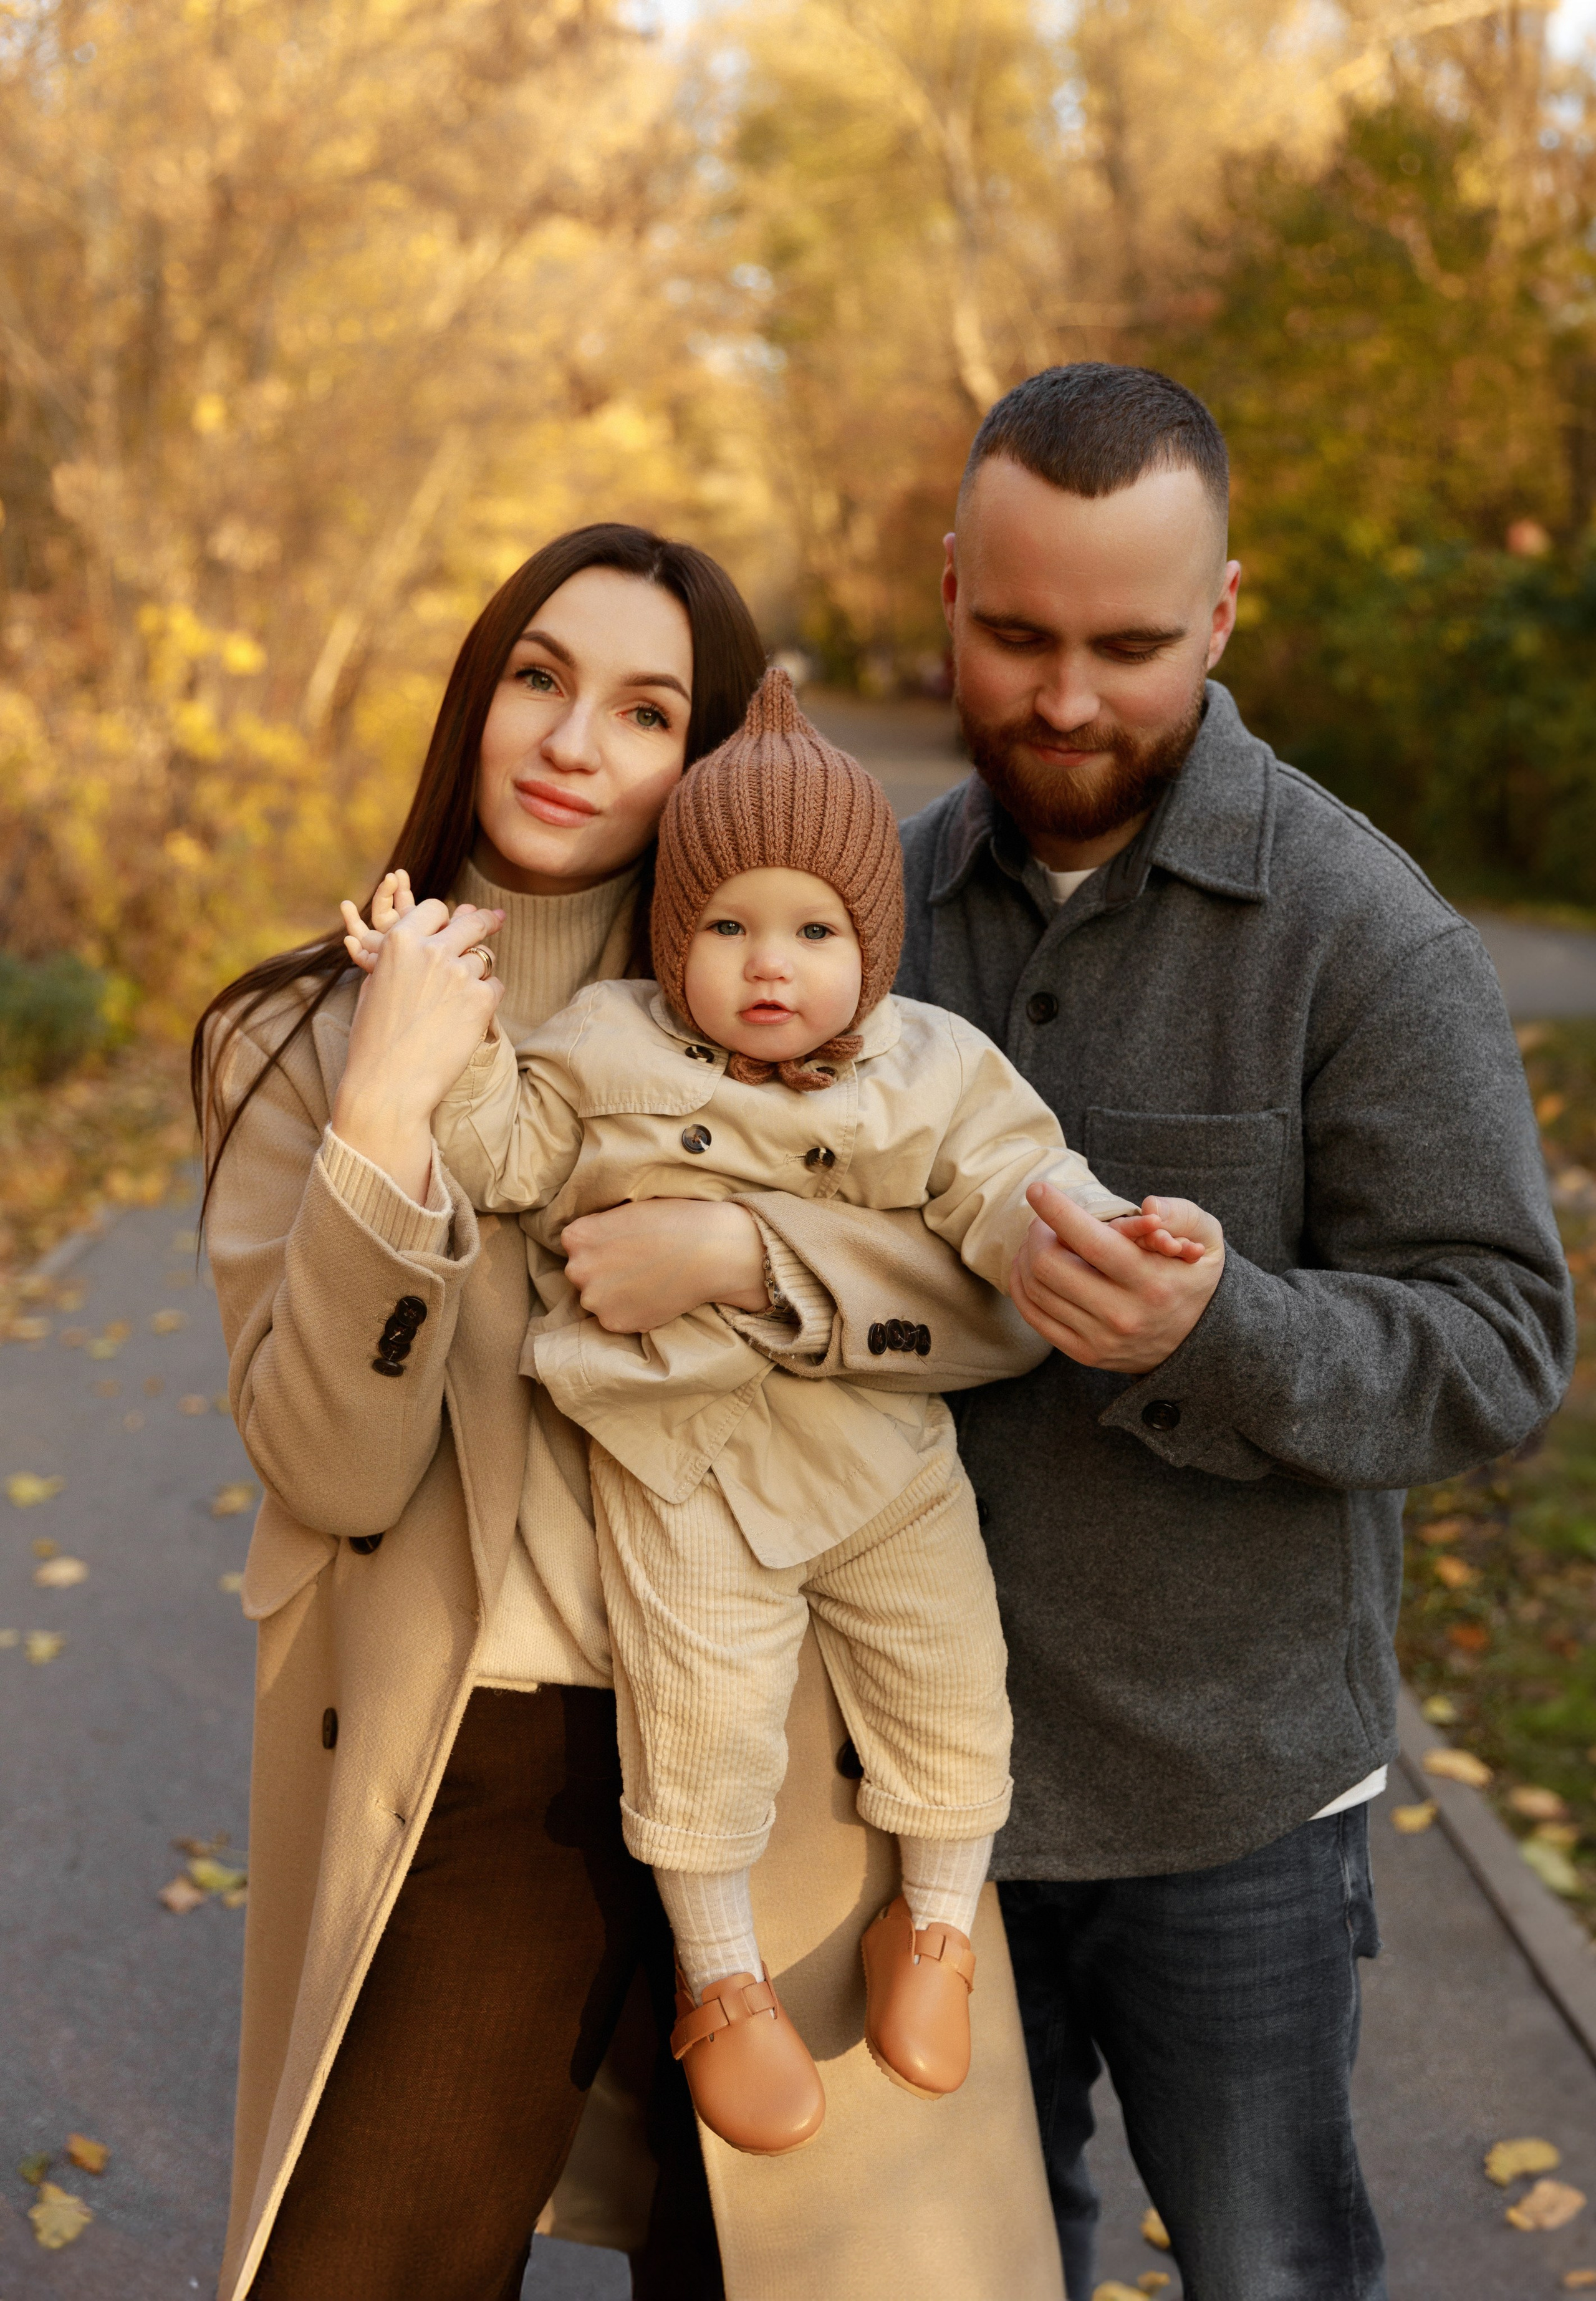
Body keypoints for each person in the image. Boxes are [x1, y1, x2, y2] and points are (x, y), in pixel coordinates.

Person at [196, 523, 1067, 2301]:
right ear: (478, 695)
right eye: (539, 675)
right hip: (483, 1743)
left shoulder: (820, 1012)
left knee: (776, 2268)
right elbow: (332, 1465)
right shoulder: (294, 1037)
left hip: (792, 1739)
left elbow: (1001, 1295)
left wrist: (751, 1251)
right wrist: (388, 1104)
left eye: (647, 706)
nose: (574, 738)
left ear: (716, 755)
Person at [896, 363, 1575, 2300]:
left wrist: (1224, 1325)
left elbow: (1504, 1343)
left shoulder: (1370, 935)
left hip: (1237, 1805)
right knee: (962, 2274)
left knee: (1271, 2271)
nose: (1067, 697)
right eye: (1018, 633)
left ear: (1223, 612)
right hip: (919, 1792)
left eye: (1129, 643)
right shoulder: (876, 914)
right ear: (948, 585)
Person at [343, 670, 1206, 2155]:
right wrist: (451, 1033)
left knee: (950, 1680)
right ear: (676, 935)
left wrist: (1095, 1224)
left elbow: (1006, 1180)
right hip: (683, 1468)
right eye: (727, 926)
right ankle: (721, 1982)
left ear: (869, 948)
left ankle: (932, 1930)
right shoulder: (606, 1043)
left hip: (880, 1456)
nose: (767, 966)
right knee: (703, 1729)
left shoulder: (925, 1064)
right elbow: (503, 1151)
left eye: (813, 932)